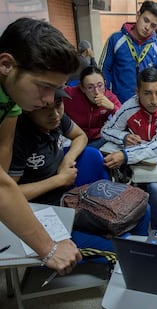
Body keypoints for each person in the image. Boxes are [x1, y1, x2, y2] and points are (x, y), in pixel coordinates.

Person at [9, 89, 149, 251]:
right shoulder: (18, 138)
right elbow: (9, 194)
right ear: (29, 109)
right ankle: (131, 259)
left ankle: (139, 262)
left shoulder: (56, 119)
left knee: (142, 208)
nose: (54, 113)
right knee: (124, 246)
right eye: (44, 108)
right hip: (40, 212)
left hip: (69, 198)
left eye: (58, 105)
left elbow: (80, 136)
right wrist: (59, 180)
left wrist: (67, 160)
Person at [0, 17, 81, 274]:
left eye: (56, 89)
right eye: (44, 87)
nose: (49, 100)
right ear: (6, 64)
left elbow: (3, 180)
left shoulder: (12, 103)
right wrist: (50, 248)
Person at [101, 68, 157, 230]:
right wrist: (123, 137)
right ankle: (135, 225)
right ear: (137, 92)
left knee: (155, 188)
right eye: (147, 93)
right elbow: (106, 130)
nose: (154, 100)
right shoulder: (129, 106)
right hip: (140, 157)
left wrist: (125, 155)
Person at [99, 0, 157, 103]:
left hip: (146, 107)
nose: (147, 27)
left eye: (153, 26)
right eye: (145, 20)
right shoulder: (116, 40)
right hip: (118, 105)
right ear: (138, 15)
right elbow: (104, 70)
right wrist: (106, 97)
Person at [63, 66, 121, 149]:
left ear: (105, 83)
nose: (97, 92)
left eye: (100, 86)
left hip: (98, 139)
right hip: (74, 138)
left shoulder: (110, 98)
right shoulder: (70, 95)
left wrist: (112, 107)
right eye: (90, 87)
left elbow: (126, 119)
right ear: (82, 88)